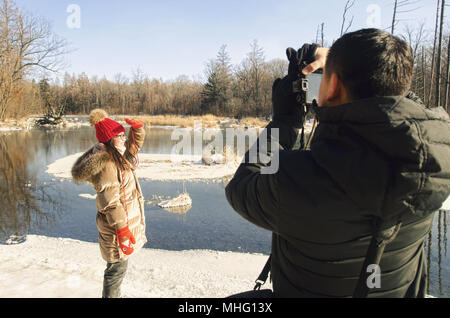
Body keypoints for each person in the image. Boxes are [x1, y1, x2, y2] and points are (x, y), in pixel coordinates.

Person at [225, 28, 450, 298]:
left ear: (333, 87)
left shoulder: (298, 178)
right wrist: (355, 66)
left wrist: (285, 122)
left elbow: (242, 186)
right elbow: (404, 109)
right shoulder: (436, 160)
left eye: (326, 79)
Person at [71, 109, 147, 298]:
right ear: (108, 140)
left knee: (118, 268)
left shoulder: (118, 155)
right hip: (116, 229)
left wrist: (137, 130)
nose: (123, 138)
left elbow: (133, 146)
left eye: (123, 134)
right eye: (119, 135)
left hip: (122, 223)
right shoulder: (107, 164)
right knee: (116, 271)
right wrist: (122, 230)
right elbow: (110, 202)